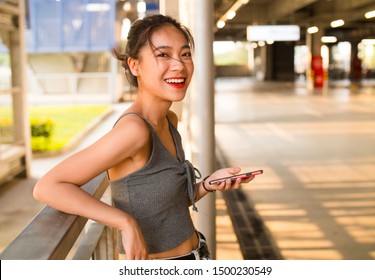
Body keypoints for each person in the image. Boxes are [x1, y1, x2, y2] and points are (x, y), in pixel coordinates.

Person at [33, 14, 254, 260]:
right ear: (134, 65)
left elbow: (162, 205)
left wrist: (207, 184)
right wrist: (123, 221)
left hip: (197, 252)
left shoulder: (169, 120)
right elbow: (48, 186)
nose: (179, 65)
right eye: (163, 54)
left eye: (185, 54)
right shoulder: (134, 130)